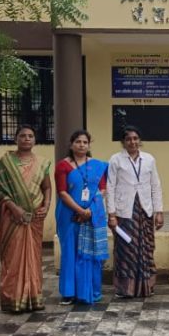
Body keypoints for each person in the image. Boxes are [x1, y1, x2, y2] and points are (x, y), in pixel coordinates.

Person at [0, 124, 52, 313]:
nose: (27, 139)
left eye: (30, 136)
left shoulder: (42, 162)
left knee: (33, 257)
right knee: (12, 258)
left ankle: (33, 297)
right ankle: (13, 298)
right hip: (12, 217)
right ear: (16, 139)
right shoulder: (5, 163)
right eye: (23, 135)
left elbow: (47, 187)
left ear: (35, 140)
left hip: (34, 217)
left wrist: (46, 206)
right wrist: (14, 208)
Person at [107, 125, 164, 298]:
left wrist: (159, 211)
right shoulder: (116, 160)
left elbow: (155, 186)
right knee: (126, 249)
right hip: (124, 211)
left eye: (135, 138)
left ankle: (147, 286)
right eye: (128, 139)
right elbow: (110, 187)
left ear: (140, 140)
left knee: (146, 247)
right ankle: (126, 288)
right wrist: (111, 214)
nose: (132, 142)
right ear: (123, 142)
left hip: (145, 210)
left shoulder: (149, 159)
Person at [54, 130, 109, 305]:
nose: (81, 145)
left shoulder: (97, 166)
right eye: (78, 142)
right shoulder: (63, 166)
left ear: (89, 145)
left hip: (91, 214)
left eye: (85, 142)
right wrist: (79, 210)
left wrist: (90, 211)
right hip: (68, 215)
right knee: (69, 251)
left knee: (89, 251)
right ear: (71, 145)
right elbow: (62, 192)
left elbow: (102, 190)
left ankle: (89, 290)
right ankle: (69, 292)